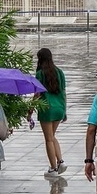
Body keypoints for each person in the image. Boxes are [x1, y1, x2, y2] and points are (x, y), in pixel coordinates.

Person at [30, 48, 68, 177]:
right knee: (52, 136)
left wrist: (30, 111)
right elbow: (63, 92)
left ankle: (53, 169)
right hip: (59, 108)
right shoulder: (60, 72)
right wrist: (65, 110)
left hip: (47, 109)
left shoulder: (40, 74)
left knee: (48, 139)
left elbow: (37, 94)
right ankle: (60, 161)